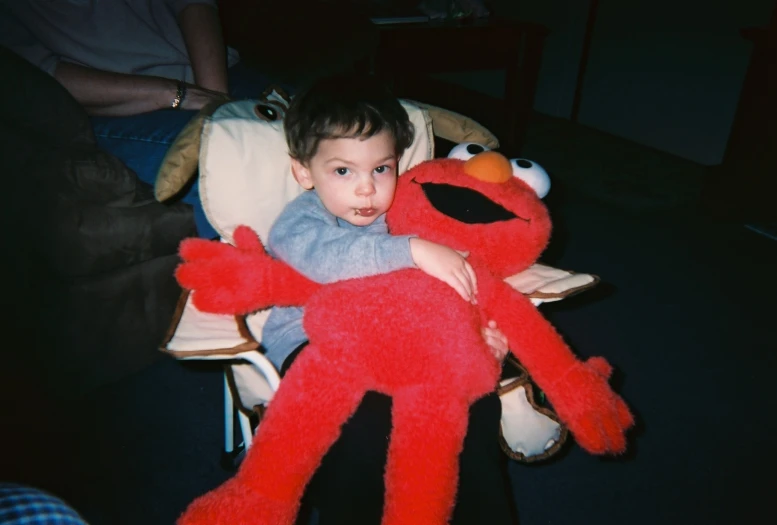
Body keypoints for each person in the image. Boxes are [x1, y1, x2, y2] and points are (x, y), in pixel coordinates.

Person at [261, 72, 517, 525]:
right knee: (367, 424)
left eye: (381, 169)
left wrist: (475, 331)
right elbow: (327, 260)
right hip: (313, 343)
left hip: (393, 340)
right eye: (343, 171)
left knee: (472, 403)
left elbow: (436, 288)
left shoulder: (400, 210)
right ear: (304, 172)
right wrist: (412, 250)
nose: (366, 189)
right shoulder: (301, 220)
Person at [0, 0, 277, 239]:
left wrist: (217, 101)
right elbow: (38, 75)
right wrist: (177, 94)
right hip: (110, 108)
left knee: (309, 134)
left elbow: (193, 5)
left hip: (216, 73)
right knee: (230, 181)